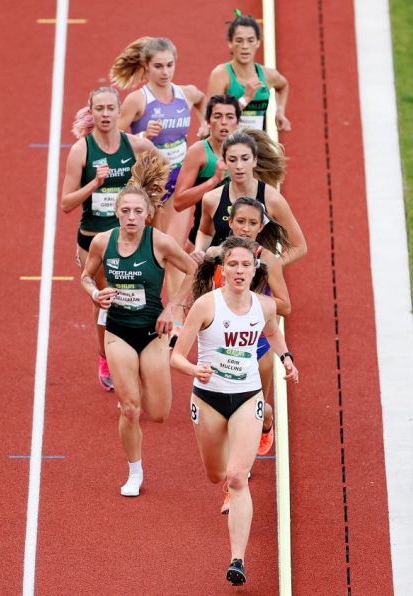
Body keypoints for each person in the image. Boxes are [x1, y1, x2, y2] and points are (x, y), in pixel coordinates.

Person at [170, 236, 299, 586]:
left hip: (247, 397)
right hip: (208, 399)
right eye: (233, 265)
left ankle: (237, 560)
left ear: (254, 270)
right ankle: (231, 462)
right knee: (216, 475)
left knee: (237, 477)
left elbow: (272, 332)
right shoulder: (205, 306)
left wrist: (286, 358)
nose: (239, 271)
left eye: (245, 265)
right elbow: (176, 357)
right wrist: (194, 369)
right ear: (222, 270)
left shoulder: (264, 306)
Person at [81, 152, 197, 497]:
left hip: (152, 332)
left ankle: (140, 380)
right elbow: (86, 276)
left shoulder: (159, 242)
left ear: (148, 214)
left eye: (137, 211)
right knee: (130, 409)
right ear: (117, 212)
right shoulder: (103, 242)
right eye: (126, 211)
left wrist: (172, 308)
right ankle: (135, 470)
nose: (131, 217)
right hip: (118, 331)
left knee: (158, 412)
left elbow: (193, 270)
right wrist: (95, 293)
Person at [61, 87, 156, 391]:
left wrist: (149, 201)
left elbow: (162, 168)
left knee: (136, 296)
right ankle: (105, 356)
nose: (105, 114)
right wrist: (95, 183)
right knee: (106, 300)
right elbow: (66, 203)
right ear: (91, 111)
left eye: (110, 108)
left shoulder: (135, 144)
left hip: (131, 237)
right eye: (99, 109)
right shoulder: (82, 150)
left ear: (118, 111)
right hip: (95, 240)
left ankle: (134, 351)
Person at [192, 197, 293, 454]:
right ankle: (235, 466)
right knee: (225, 410)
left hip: (257, 344)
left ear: (261, 227)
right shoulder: (216, 255)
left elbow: (285, 306)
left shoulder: (268, 260)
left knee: (251, 408)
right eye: (240, 221)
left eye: (252, 223)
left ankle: (265, 418)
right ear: (230, 222)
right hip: (222, 342)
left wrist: (251, 301)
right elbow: (198, 291)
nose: (245, 228)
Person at [109, 37, 207, 299]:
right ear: (146, 67)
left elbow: (202, 101)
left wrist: (205, 124)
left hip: (179, 180)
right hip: (150, 185)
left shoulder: (186, 94)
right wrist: (143, 138)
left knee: (174, 251)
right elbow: (112, 139)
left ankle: (175, 315)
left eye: (169, 65)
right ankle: (141, 302)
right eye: (158, 66)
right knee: (150, 250)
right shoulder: (138, 100)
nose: (165, 72)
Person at [195, 129, 307, 265]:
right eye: (232, 160)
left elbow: (299, 246)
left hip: (258, 278)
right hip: (221, 275)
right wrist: (199, 251)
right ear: (224, 162)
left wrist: (267, 268)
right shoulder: (211, 199)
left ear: (255, 160)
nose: (239, 166)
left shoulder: (272, 199)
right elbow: (205, 232)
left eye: (245, 159)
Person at [172, 95, 241, 249]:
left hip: (238, 242)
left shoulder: (247, 152)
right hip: (202, 242)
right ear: (208, 122)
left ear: (237, 122)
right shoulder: (198, 152)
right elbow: (178, 203)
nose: (224, 122)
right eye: (217, 116)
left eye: (230, 117)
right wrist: (213, 181)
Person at [206, 12, 291, 132]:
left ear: (258, 42)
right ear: (230, 43)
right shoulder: (221, 75)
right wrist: (245, 99)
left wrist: (280, 111)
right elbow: (211, 117)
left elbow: (283, 86)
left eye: (250, 40)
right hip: (230, 143)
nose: (245, 46)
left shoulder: (268, 75)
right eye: (239, 41)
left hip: (258, 143)